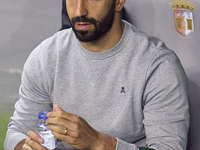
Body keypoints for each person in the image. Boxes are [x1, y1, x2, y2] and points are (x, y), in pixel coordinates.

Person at [4, 0, 189, 150]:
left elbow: (168, 147)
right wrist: (24, 146)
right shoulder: (45, 56)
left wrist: (98, 143)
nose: (79, 10)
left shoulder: (157, 65)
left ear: (119, 2)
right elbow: (16, 132)